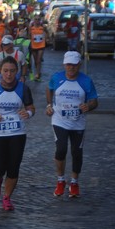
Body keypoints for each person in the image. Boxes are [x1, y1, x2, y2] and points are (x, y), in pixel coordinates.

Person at [0, 56, 35, 211]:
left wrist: (28, 114)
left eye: (12, 71)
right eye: (5, 71)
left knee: (13, 167)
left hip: (17, 131)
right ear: (0, 71)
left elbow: (31, 107)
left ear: (17, 72)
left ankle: (7, 197)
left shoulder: (23, 88)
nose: (9, 74)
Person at [45, 51, 98, 198]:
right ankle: (60, 180)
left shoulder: (86, 81)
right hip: (59, 120)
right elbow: (49, 89)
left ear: (79, 65)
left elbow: (94, 100)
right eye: (68, 64)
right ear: (64, 64)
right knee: (61, 149)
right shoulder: (57, 78)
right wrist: (49, 105)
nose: (71, 68)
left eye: (74, 65)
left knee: (76, 152)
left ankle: (74, 182)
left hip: (78, 123)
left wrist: (89, 106)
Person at [30, 14, 48, 81]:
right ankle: (38, 71)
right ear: (34, 20)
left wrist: (46, 38)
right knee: (35, 61)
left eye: (38, 19)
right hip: (33, 46)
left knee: (39, 60)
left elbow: (47, 33)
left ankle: (37, 73)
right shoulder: (31, 28)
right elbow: (29, 35)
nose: (37, 21)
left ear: (40, 21)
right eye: (36, 19)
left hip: (41, 45)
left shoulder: (42, 27)